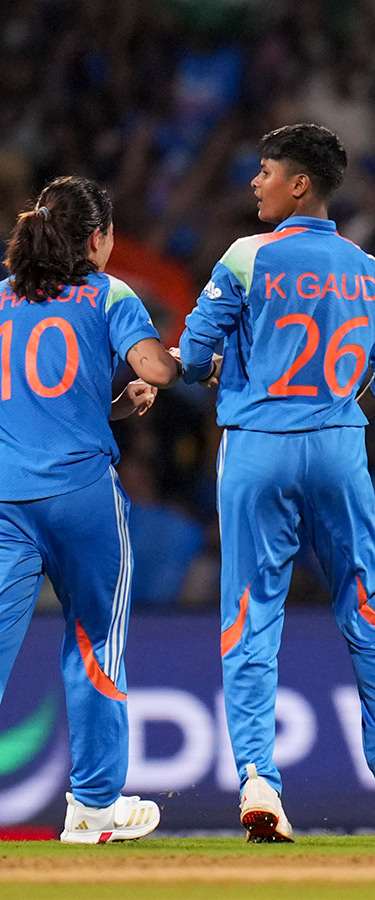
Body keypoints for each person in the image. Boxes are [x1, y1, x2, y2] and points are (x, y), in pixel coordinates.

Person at [177, 123, 375, 841]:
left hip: (258, 444)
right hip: (338, 447)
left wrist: (217, 367)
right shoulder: (370, 270)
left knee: (252, 612)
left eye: (264, 172)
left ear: (299, 184)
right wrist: (339, 414)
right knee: (366, 605)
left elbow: (195, 351)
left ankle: (260, 780)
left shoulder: (246, 257)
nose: (255, 183)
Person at [0, 175, 180, 843]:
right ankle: (94, 808)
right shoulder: (110, 293)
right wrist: (163, 370)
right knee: (95, 646)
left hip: (4, 500)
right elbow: (157, 370)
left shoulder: (1, 300)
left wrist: (103, 407)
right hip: (80, 498)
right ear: (99, 238)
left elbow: (32, 400)